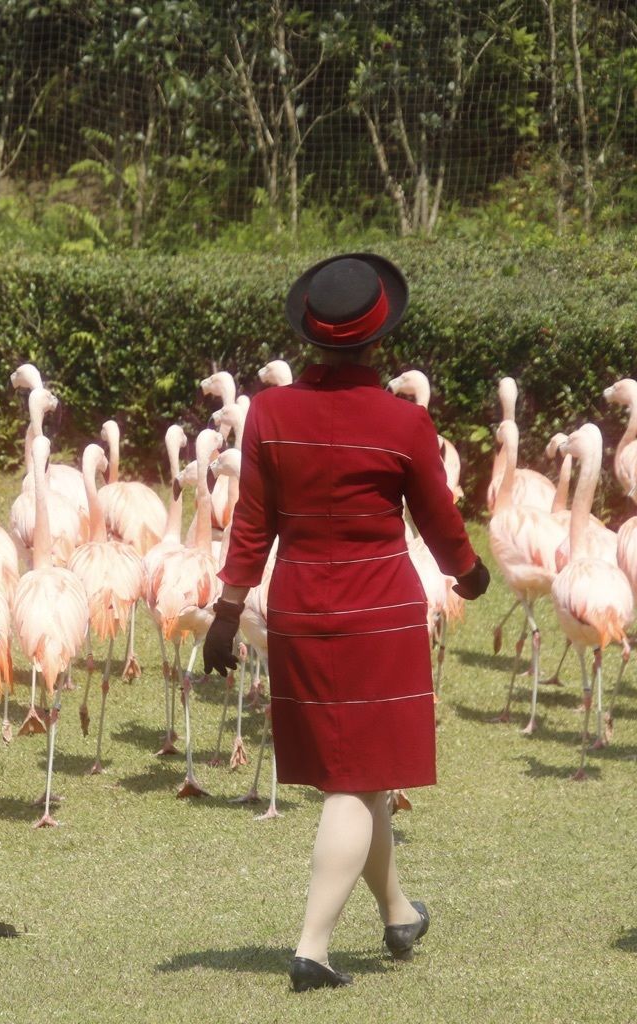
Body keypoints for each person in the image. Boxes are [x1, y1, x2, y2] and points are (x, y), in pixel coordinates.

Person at [204, 253, 489, 993]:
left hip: (300, 604)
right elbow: (437, 517)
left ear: (313, 336)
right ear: (376, 340)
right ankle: (313, 948)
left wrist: (227, 613)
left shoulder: (270, 413)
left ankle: (398, 912)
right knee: (353, 781)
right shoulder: (404, 420)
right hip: (380, 613)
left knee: (362, 772)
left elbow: (250, 526)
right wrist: (469, 573)